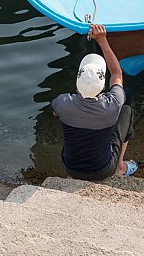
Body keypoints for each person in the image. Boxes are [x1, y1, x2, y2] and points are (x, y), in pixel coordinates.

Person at [52, 23, 137, 181]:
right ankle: (119, 167)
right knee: (126, 112)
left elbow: (55, 112)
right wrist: (102, 40)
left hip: (70, 167)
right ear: (102, 84)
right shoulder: (113, 104)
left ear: (77, 80)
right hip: (102, 170)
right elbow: (117, 73)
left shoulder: (62, 102)